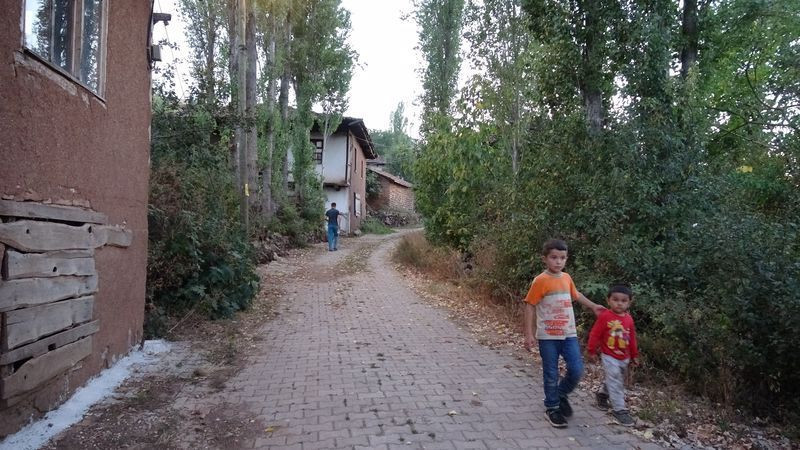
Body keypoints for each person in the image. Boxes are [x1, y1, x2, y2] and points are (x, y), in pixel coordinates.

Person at [523, 238, 605, 428]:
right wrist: (529, 334)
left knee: (576, 369)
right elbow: (529, 306)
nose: (558, 261)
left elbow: (576, 295)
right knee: (551, 373)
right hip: (548, 337)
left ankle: (561, 394)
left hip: (569, 334)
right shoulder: (540, 281)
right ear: (545, 259)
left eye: (562, 258)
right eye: (554, 257)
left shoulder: (566, 278)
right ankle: (552, 407)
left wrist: (593, 306)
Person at [586, 283, 639, 427]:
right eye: (615, 300)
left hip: (624, 357)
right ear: (608, 300)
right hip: (609, 355)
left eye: (623, 301)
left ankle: (602, 394)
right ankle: (619, 410)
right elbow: (595, 334)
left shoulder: (629, 319)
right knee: (616, 380)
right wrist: (591, 350)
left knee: (615, 378)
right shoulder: (605, 317)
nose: (619, 303)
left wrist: (634, 355)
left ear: (629, 303)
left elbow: (632, 338)